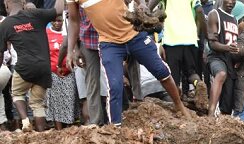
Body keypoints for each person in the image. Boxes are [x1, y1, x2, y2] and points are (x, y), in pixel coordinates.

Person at [66, 0, 188, 126]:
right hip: (109, 43)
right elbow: (74, 21)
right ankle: (116, 127)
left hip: (134, 34)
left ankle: (179, 105)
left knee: (161, 70)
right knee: (115, 86)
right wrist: (71, 51)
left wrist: (142, 4)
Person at [0, 0, 64, 132]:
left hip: (24, 68)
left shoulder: (5, 24)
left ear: (6, 5)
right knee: (38, 104)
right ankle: (41, 134)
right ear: (23, 3)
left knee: (17, 94)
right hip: (44, 68)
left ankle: (25, 121)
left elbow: (1, 52)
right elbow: (58, 10)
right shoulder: (35, 14)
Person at [150, 0, 203, 96]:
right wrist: (205, 34)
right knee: (191, 73)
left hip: (171, 39)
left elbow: (153, 3)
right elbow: (199, 10)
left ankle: (177, 106)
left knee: (173, 78)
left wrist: (147, 11)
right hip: (190, 39)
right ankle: (199, 84)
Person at [204, 0, 239, 117]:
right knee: (221, 73)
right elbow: (212, 44)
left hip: (230, 61)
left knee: (227, 106)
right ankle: (210, 113)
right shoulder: (214, 14)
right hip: (216, 57)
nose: (231, 2)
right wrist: (228, 47)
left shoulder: (235, 19)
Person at [46, 14, 79, 129]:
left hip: (69, 71)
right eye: (54, 21)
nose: (57, 23)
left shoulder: (69, 32)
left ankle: (70, 128)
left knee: (69, 101)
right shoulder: (46, 34)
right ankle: (59, 130)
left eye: (59, 21)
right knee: (56, 102)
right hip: (54, 73)